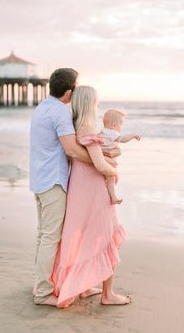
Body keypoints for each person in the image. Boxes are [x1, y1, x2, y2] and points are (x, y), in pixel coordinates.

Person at [30, 69, 118, 306]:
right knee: (50, 237)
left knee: (44, 236)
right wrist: (103, 161)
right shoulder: (59, 112)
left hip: (39, 179)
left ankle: (42, 284)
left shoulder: (42, 107)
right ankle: (43, 293)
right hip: (53, 181)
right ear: (69, 92)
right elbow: (71, 150)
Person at [51, 86, 131, 308]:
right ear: (90, 103)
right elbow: (99, 164)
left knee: (84, 233)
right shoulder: (88, 126)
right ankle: (108, 294)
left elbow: (93, 154)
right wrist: (114, 171)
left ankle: (85, 287)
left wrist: (112, 152)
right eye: (96, 101)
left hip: (79, 184)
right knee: (106, 234)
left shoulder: (75, 126)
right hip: (92, 188)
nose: (98, 104)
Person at [100, 109, 141, 204]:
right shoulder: (112, 133)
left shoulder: (102, 132)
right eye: (121, 124)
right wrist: (132, 136)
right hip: (108, 162)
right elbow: (123, 139)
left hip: (102, 159)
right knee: (111, 178)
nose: (121, 127)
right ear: (114, 125)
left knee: (109, 178)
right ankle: (113, 197)